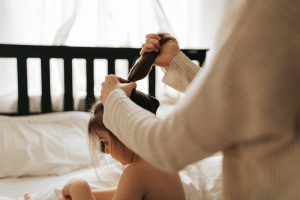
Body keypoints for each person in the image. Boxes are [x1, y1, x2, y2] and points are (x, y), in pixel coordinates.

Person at [99, 1, 300, 200]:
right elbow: (243, 99)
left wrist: (114, 101)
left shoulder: (267, 10)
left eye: (104, 143)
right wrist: (176, 62)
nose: (106, 151)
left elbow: (168, 146)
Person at [52, 96, 185, 200]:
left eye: (106, 142)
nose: (106, 150)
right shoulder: (159, 162)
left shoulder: (136, 172)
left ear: (124, 134)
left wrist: (77, 187)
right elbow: (116, 194)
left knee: (79, 186)